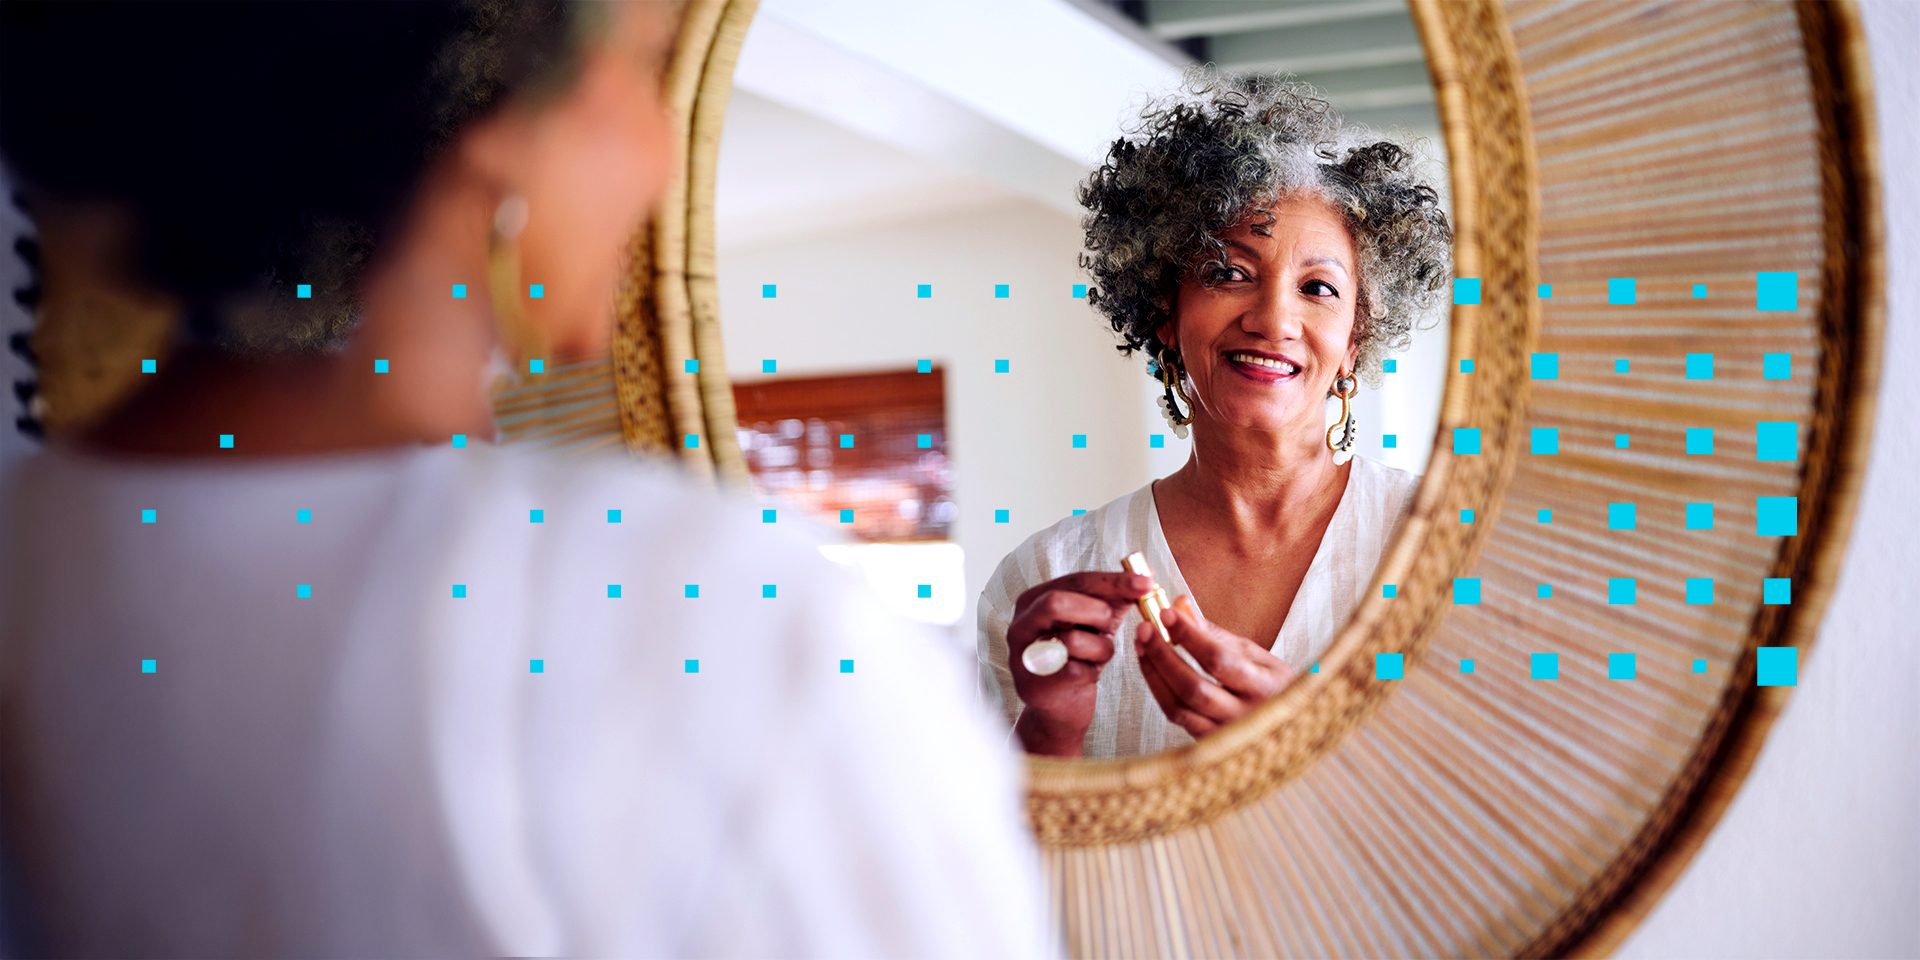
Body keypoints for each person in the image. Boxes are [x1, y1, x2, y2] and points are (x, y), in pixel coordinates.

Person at [0, 2, 1051, 956]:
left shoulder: (33, 550)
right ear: (494, 101)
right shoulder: (695, 613)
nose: (657, 151)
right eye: (640, 66)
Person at [979, 71, 1453, 760]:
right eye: (1229, 272)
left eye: (1317, 288)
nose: (1273, 319)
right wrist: (1050, 729)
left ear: (1354, 343)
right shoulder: (1044, 575)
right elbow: (992, 857)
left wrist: (1305, 743)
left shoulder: (1441, 548)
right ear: (1166, 313)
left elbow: (1500, 816)